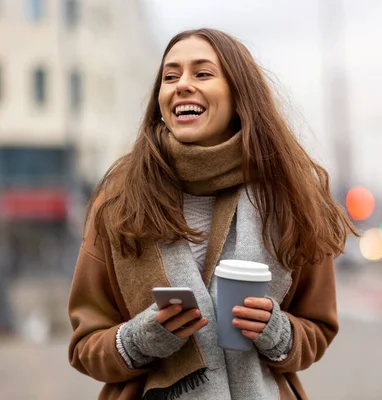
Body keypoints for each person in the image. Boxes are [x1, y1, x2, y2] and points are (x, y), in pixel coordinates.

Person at [67, 28, 356, 400]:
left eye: (202, 73)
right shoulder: (120, 202)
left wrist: (277, 332)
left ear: (240, 95)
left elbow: (317, 327)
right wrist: (140, 339)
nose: (182, 85)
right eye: (170, 77)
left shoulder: (290, 198)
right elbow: (84, 346)